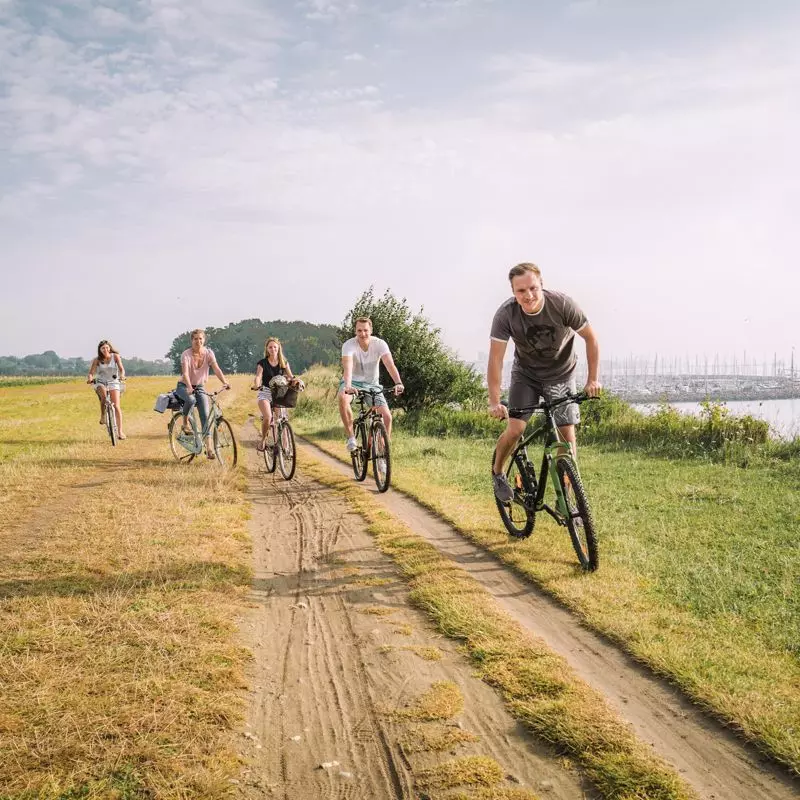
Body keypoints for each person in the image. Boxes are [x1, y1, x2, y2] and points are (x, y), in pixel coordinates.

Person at [488, 262, 601, 502]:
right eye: (521, 291)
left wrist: (592, 380)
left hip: (561, 374)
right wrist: (494, 401)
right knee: (516, 428)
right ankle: (498, 473)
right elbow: (495, 359)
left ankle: (568, 501)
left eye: (533, 288)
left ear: (542, 285)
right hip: (526, 376)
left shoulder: (562, 304)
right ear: (513, 292)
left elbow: (591, 339)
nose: (528, 295)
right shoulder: (506, 314)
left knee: (566, 436)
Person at [339, 317, 404, 452]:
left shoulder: (380, 344)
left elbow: (389, 365)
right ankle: (351, 438)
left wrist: (398, 382)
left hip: (372, 385)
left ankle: (381, 452)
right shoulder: (349, 345)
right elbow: (348, 367)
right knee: (343, 398)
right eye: (359, 331)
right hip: (353, 382)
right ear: (355, 331)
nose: (362, 334)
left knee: (387, 417)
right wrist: (348, 385)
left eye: (366, 330)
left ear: (371, 330)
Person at [176, 329, 230, 459]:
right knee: (190, 400)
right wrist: (189, 386)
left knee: (205, 416)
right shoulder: (186, 354)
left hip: (199, 387)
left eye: (201, 339)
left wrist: (225, 382)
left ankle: (210, 449)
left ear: (204, 340)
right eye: (195, 339)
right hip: (184, 386)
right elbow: (185, 374)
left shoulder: (208, 353)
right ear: (191, 340)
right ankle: (185, 423)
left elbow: (216, 369)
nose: (198, 341)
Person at [253, 337, 301, 452]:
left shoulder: (283, 363)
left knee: (282, 418)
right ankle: (263, 440)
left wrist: (296, 381)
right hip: (265, 392)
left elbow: (290, 376)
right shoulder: (262, 363)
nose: (273, 349)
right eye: (270, 347)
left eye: (275, 347)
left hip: (279, 393)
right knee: (268, 417)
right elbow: (258, 376)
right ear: (267, 349)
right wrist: (256, 384)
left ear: (278, 348)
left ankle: (285, 447)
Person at [87, 339, 127, 440]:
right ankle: (103, 416)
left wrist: (122, 376)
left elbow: (121, 369)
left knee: (117, 406)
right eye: (103, 348)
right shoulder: (97, 360)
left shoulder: (115, 356)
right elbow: (91, 372)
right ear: (100, 350)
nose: (105, 349)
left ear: (109, 348)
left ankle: (120, 432)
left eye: (107, 347)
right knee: (103, 397)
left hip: (114, 382)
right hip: (101, 382)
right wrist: (90, 378)